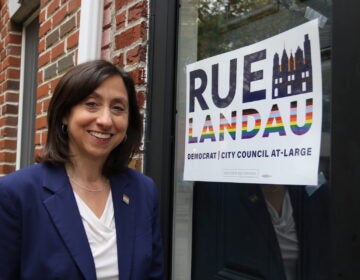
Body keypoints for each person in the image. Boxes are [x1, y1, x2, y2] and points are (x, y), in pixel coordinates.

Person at [0, 60, 164, 280]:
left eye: (117, 108)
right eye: (91, 104)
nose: (105, 120)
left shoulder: (143, 190)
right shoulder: (15, 194)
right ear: (65, 114)